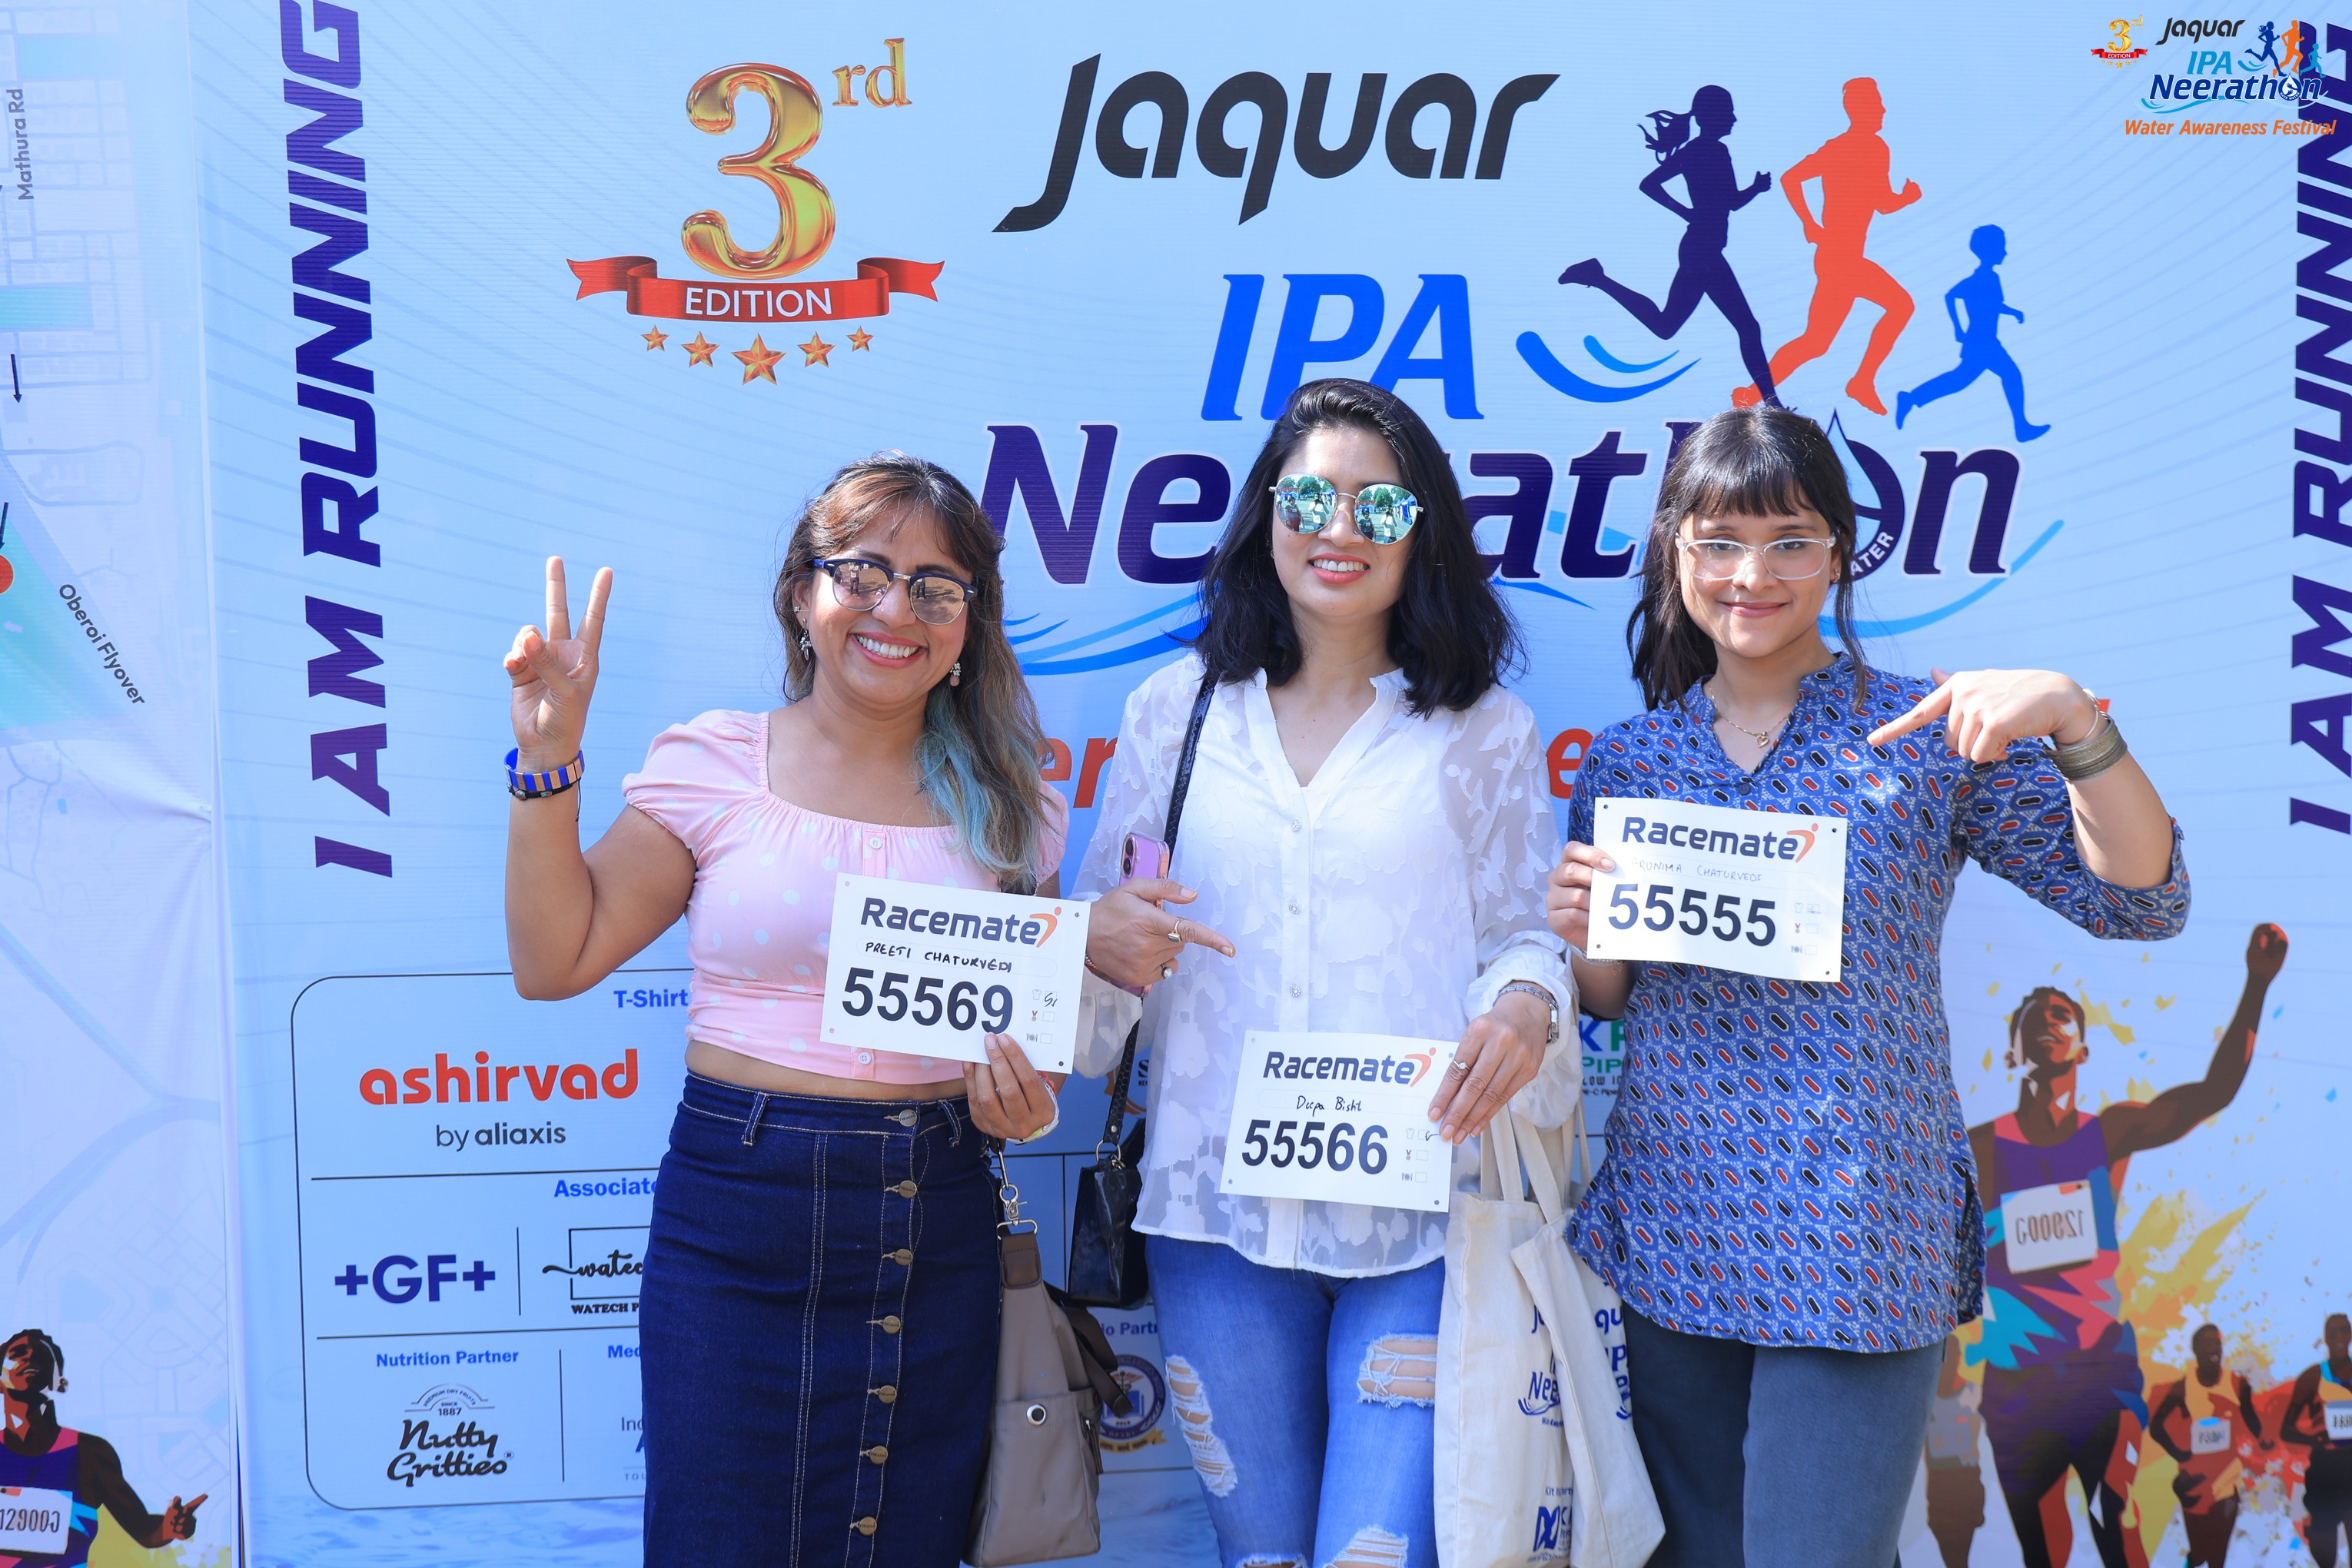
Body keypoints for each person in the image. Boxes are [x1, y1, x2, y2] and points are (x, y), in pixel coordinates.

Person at [1542, 404, 2190, 1568]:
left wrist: (2073, 721)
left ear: (1839, 554)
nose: (1753, 576)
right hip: (1675, 1223)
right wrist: (1583, 932)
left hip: (1857, 1232)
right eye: (1720, 543)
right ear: (1677, 553)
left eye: (1789, 541)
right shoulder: (1631, 759)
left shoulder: (1926, 737)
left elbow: (2142, 899)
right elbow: (1611, 997)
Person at [500, 453, 1067, 1566]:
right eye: (863, 574)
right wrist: (547, 762)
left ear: (968, 625)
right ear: (803, 595)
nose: (895, 610)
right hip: (739, 1225)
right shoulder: (717, 763)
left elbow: (1029, 1062)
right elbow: (553, 961)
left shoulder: (1017, 807)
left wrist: (1026, 1104)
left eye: (936, 587)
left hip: (935, 1223)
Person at [1075, 377, 1574, 1568]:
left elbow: (1528, 933)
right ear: (1266, 517)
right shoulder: (1175, 715)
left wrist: (1525, 1002)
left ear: (1422, 535)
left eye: (1378, 508)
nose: (1339, 529)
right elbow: (1099, 954)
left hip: (1424, 1214)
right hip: (1212, 1215)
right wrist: (1100, 937)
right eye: (1308, 500)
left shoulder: (1484, 728)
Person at [1971, 925, 2286, 1568]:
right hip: (2018, 1382)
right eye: (2033, 1017)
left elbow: (2211, 1093)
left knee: (2117, 1514)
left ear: (2082, 1049)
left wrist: (2257, 983)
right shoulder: (1981, 1148)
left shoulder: (2108, 1134)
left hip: (2099, 1370)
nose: (2048, 1021)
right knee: (2044, 1553)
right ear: (2013, 1050)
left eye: (2062, 1015)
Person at [1558, 85, 1781, 406]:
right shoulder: (1710, 151)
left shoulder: (1701, 150)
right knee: (1746, 327)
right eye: (1728, 112)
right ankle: (1772, 403)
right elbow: (1659, 187)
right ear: (1711, 116)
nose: (1733, 119)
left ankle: (1597, 277)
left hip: (1701, 248)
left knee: (1667, 326)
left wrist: (1747, 192)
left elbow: (1722, 200)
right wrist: (1692, 210)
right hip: (1703, 252)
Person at [1731, 78, 1921, 416]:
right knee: (1900, 306)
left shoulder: (1866, 147)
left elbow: (1879, 201)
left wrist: (1902, 199)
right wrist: (1809, 222)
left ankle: (1752, 393)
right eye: (1876, 104)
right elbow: (1793, 178)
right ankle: (1861, 382)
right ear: (1859, 109)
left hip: (1840, 257)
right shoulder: (1854, 147)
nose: (1883, 110)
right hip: (1841, 258)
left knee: (1816, 342)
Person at [0, 1329, 204, 1564]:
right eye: (17, 1353)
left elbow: (144, 1531)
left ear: (60, 1381)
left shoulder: (90, 1453)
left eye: (41, 1356)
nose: (29, 1357)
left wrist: (170, 1528)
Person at [1895, 225, 2049, 442]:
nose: (2005, 252)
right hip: (1981, 341)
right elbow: (1950, 296)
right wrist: (1957, 328)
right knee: (2006, 376)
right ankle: (2021, 428)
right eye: (2001, 248)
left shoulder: (1991, 278)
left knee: (1961, 380)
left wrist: (2013, 312)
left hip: (1986, 341)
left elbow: (1993, 305)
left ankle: (1911, 398)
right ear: (1990, 251)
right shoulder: (1981, 279)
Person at [2150, 1324, 2272, 1568]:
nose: (2214, 1349)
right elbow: (2156, 1427)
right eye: (2208, 1343)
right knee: (2199, 1554)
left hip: (2227, 1485)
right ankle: (2193, 1560)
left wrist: (2264, 1441)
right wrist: (2180, 1454)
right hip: (2194, 1486)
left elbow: (2252, 1421)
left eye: (2217, 1343)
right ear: (2196, 1350)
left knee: (2218, 1557)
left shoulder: (2237, 1385)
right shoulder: (2184, 1388)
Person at [2282, 1312, 2352, 1566]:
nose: (2340, 1336)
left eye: (2344, 1330)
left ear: (2351, 1335)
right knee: (2325, 1555)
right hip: (2325, 1472)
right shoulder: (2312, 1377)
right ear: (2326, 1338)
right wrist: (2316, 1439)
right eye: (2334, 1332)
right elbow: (2286, 1430)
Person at [1922, 1333, 1989, 1568]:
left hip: (1967, 1481)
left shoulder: (1973, 1393)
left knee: (1960, 1556)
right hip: (1939, 1486)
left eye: (1955, 1356)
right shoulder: (1925, 1399)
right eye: (1948, 1357)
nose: (1953, 1361)